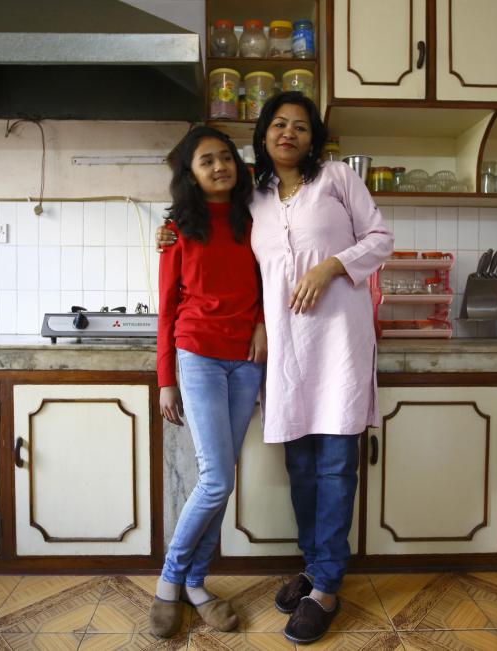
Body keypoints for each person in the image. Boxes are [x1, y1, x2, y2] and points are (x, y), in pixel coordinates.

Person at [157, 92, 394, 644]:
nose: (289, 133)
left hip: (338, 347)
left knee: (335, 467)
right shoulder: (254, 198)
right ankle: (314, 567)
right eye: (279, 125)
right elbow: (236, 259)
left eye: (302, 127)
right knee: (302, 469)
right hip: (284, 355)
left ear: (315, 139)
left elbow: (380, 238)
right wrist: (171, 232)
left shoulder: (336, 179)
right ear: (262, 136)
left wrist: (334, 265)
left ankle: (328, 587)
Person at [150, 126, 267, 638]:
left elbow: (271, 279)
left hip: (246, 357)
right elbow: (167, 309)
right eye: (206, 161)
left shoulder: (256, 217)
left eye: (226, 158)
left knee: (220, 481)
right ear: (191, 175)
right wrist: (165, 380)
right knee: (217, 477)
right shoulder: (178, 228)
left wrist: (261, 322)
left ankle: (196, 583)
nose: (220, 166)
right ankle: (170, 581)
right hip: (196, 354)